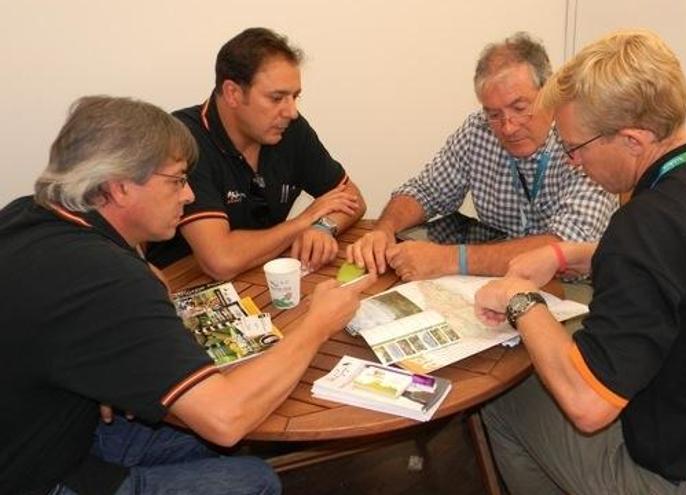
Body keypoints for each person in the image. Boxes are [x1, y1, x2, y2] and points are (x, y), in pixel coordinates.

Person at [474, 30, 686, 494]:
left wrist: (520, 299)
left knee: (504, 401)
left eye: (575, 147)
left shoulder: (643, 225)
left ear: (632, 140)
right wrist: (567, 254)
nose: (572, 162)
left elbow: (587, 405)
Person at [0, 96, 374, 495]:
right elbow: (227, 419)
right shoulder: (106, 278)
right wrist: (317, 324)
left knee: (204, 435)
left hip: (49, 426)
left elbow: (127, 286)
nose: (190, 195)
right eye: (177, 180)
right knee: (252, 479)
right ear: (120, 187)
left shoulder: (32, 214)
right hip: (36, 477)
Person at [346, 32, 617, 281]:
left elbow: (564, 247)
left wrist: (450, 259)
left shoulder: (584, 141)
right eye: (494, 114)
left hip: (576, 291)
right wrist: (384, 229)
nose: (507, 127)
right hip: (494, 281)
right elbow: (424, 191)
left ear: (549, 92)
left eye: (519, 108)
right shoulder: (478, 129)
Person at [147, 27, 366, 279]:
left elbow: (352, 198)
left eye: (295, 97)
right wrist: (304, 221)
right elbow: (221, 260)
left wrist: (323, 226)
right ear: (233, 93)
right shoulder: (183, 139)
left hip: (260, 273)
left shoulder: (288, 127)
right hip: (184, 284)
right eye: (277, 98)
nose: (291, 111)